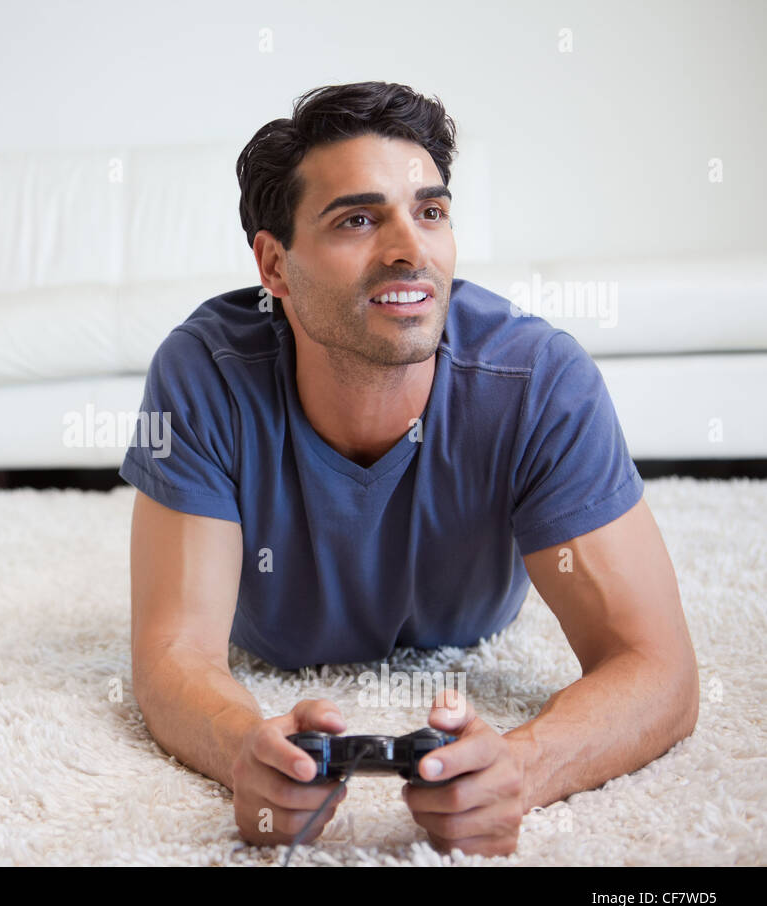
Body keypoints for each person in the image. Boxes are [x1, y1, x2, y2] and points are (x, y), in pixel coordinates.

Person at [121, 82, 698, 857]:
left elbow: (660, 670)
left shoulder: (539, 380)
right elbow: (173, 658)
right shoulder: (202, 373)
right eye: (358, 219)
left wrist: (521, 769)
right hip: (275, 643)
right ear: (275, 265)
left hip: (471, 625)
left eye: (430, 212)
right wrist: (242, 753)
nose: (410, 248)